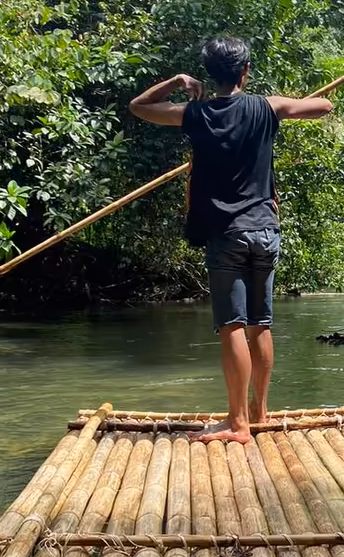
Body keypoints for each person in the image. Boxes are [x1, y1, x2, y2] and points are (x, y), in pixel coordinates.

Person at [129, 35, 333, 444]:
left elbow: (140, 107)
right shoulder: (267, 107)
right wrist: (276, 104)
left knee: (233, 325)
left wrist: (176, 81)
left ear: (210, 75)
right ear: (245, 71)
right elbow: (324, 106)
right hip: (266, 230)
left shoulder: (196, 113)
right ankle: (259, 410)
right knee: (261, 323)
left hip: (227, 235)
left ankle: (238, 422)